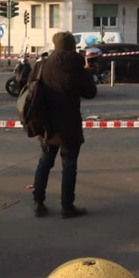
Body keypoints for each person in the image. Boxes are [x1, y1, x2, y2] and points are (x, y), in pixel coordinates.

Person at [32, 32, 98, 218]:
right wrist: (87, 73)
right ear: (71, 46)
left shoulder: (42, 64)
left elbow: (29, 87)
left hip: (46, 124)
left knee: (44, 162)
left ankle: (38, 202)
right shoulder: (77, 67)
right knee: (69, 166)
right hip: (69, 125)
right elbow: (90, 93)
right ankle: (67, 206)